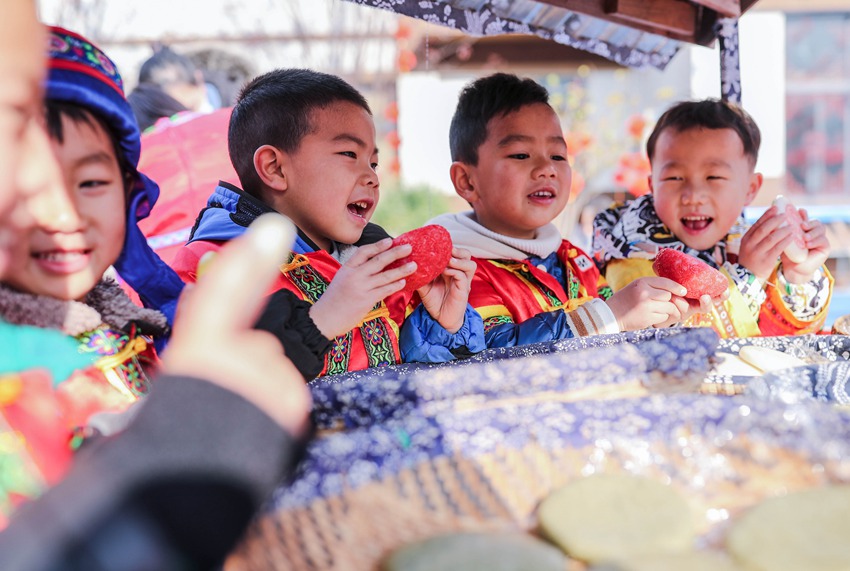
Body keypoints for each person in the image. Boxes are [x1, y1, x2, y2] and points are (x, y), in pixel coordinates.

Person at [0, 3, 312, 567]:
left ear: (130, 193)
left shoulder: (133, 324)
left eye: (90, 182)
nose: (60, 211)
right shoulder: (17, 369)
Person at [173, 68, 485, 375]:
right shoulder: (213, 266)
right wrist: (321, 320)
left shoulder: (372, 257)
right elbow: (207, 383)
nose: (372, 177)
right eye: (350, 154)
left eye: (373, 162)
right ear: (275, 168)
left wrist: (445, 323)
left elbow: (412, 371)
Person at [429, 73, 712, 348]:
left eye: (557, 156)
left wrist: (657, 318)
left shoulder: (574, 260)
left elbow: (616, 329)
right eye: (520, 155)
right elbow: (492, 353)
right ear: (467, 181)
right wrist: (611, 316)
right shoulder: (458, 272)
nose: (547, 169)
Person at [592, 99, 832, 337]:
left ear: (750, 189)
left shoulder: (740, 240)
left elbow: (780, 342)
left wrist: (798, 275)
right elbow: (670, 343)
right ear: (652, 186)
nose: (693, 196)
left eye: (714, 177)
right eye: (674, 178)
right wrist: (747, 276)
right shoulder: (628, 253)